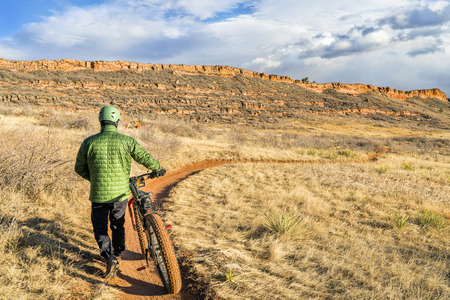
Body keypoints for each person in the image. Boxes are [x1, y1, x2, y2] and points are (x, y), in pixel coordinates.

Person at [74, 106, 166, 278]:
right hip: (120, 195)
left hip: (98, 194)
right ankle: (117, 252)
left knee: (100, 227)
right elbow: (144, 157)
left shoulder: (89, 142)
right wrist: (158, 167)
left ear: (101, 121)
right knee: (117, 223)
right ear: (117, 122)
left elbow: (79, 167)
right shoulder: (126, 141)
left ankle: (108, 256)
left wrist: (94, 180)